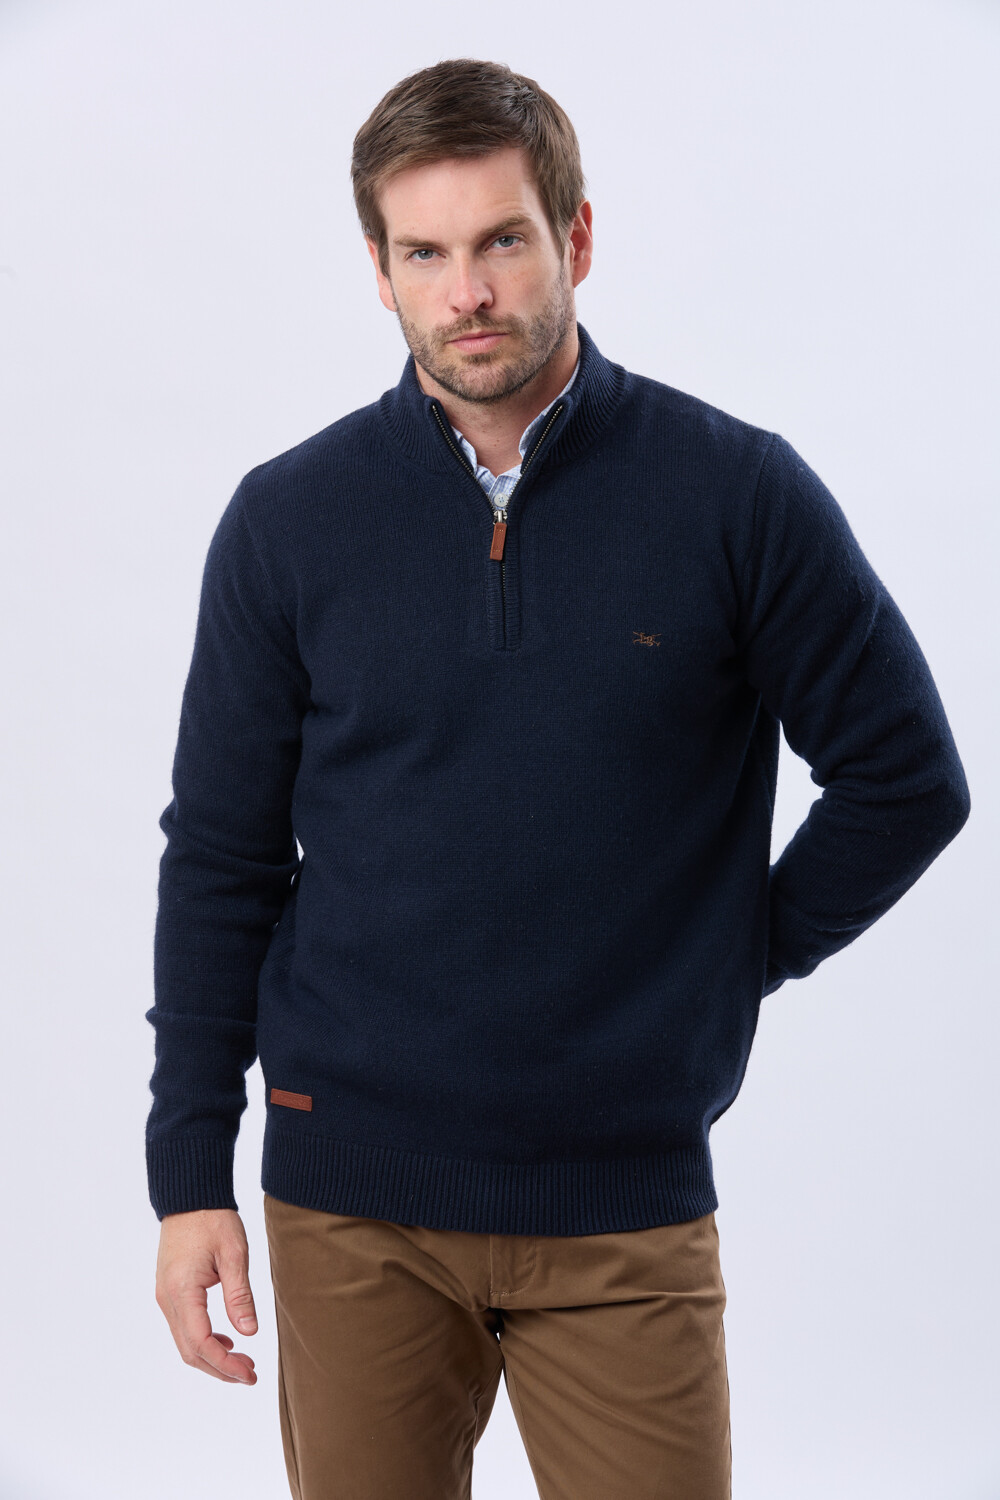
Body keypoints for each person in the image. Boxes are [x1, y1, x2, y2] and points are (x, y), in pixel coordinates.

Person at [147, 57, 971, 1500]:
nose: (467, 292)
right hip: (351, 1207)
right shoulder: (288, 523)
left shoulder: (736, 495)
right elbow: (222, 859)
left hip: (622, 1206)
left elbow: (907, 778)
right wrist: (186, 1178)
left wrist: (729, 957)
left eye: (502, 241)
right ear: (380, 272)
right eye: (425, 253)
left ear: (576, 238)